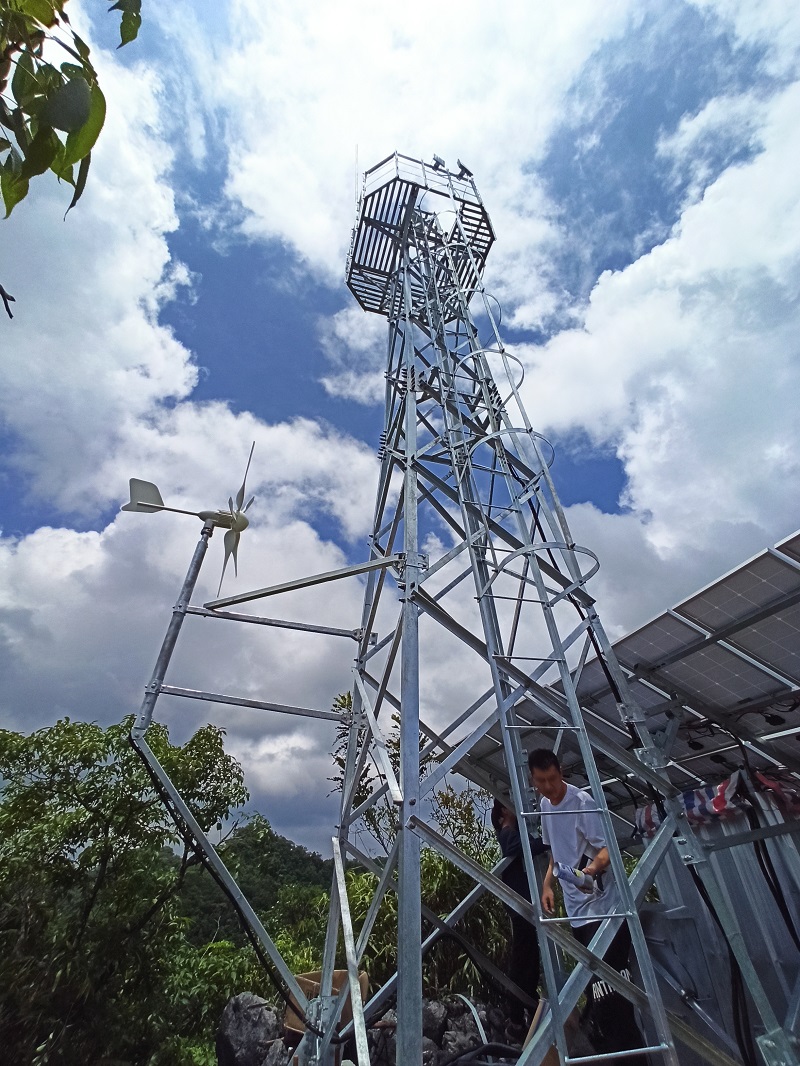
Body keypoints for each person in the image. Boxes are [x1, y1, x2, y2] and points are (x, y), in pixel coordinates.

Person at [528, 749, 648, 1064]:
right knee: (596, 992)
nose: (549, 787)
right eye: (541, 781)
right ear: (533, 780)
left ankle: (634, 1059)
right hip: (579, 916)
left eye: (552, 779)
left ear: (561, 772)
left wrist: (589, 873)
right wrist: (547, 885)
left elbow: (607, 850)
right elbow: (554, 850)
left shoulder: (582, 803)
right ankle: (614, 1055)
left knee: (613, 997)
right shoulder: (544, 805)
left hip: (604, 911)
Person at [491, 797, 547, 1043]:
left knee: (529, 956)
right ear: (503, 810)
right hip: (520, 905)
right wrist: (545, 842)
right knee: (523, 957)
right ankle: (517, 1012)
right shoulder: (507, 833)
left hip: (523, 905)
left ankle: (527, 1004)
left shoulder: (510, 833)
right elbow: (516, 847)